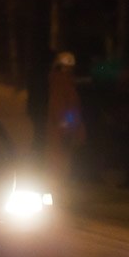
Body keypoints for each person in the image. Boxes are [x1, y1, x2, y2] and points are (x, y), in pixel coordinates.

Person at [45, 51, 86, 189]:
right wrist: (67, 125)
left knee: (61, 159)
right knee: (60, 159)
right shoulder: (62, 82)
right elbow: (61, 107)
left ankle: (60, 185)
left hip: (64, 127)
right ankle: (58, 187)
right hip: (62, 129)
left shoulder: (63, 82)